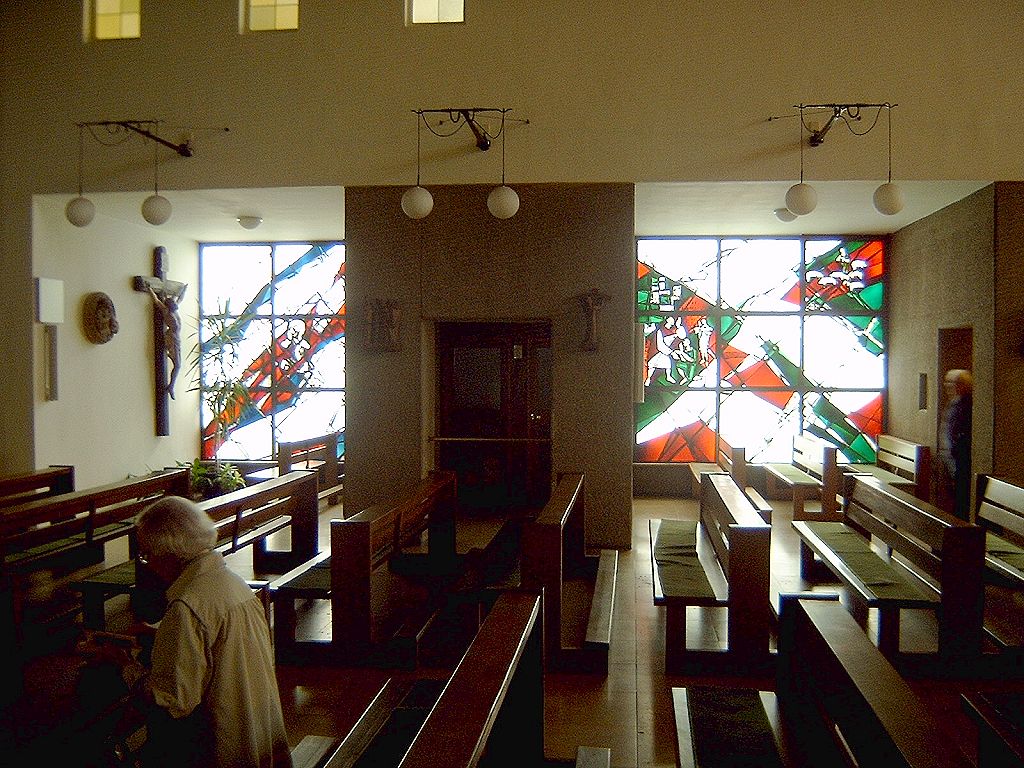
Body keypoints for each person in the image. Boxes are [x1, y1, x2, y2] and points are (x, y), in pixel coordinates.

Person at [121, 496, 292, 767]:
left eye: (146, 555)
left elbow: (174, 700)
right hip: (260, 735)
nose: (148, 564)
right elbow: (218, 643)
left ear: (169, 552)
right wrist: (163, 634)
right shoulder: (234, 584)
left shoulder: (187, 605)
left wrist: (125, 667)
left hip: (222, 749)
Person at [940, 369, 973, 520]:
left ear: (963, 385)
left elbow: (961, 431)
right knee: (955, 499)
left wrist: (954, 450)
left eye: (953, 383)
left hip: (961, 460)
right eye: (947, 382)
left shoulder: (966, 404)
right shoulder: (954, 403)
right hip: (952, 459)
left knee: (961, 501)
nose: (948, 386)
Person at [148, 286, 182, 399]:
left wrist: (183, 289)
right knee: (178, 365)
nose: (175, 303)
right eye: (173, 302)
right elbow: (156, 300)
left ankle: (171, 386)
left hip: (177, 338)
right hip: (171, 338)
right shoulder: (166, 311)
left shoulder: (174, 310)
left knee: (178, 365)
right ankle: (171, 386)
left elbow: (180, 298)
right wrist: (149, 289)